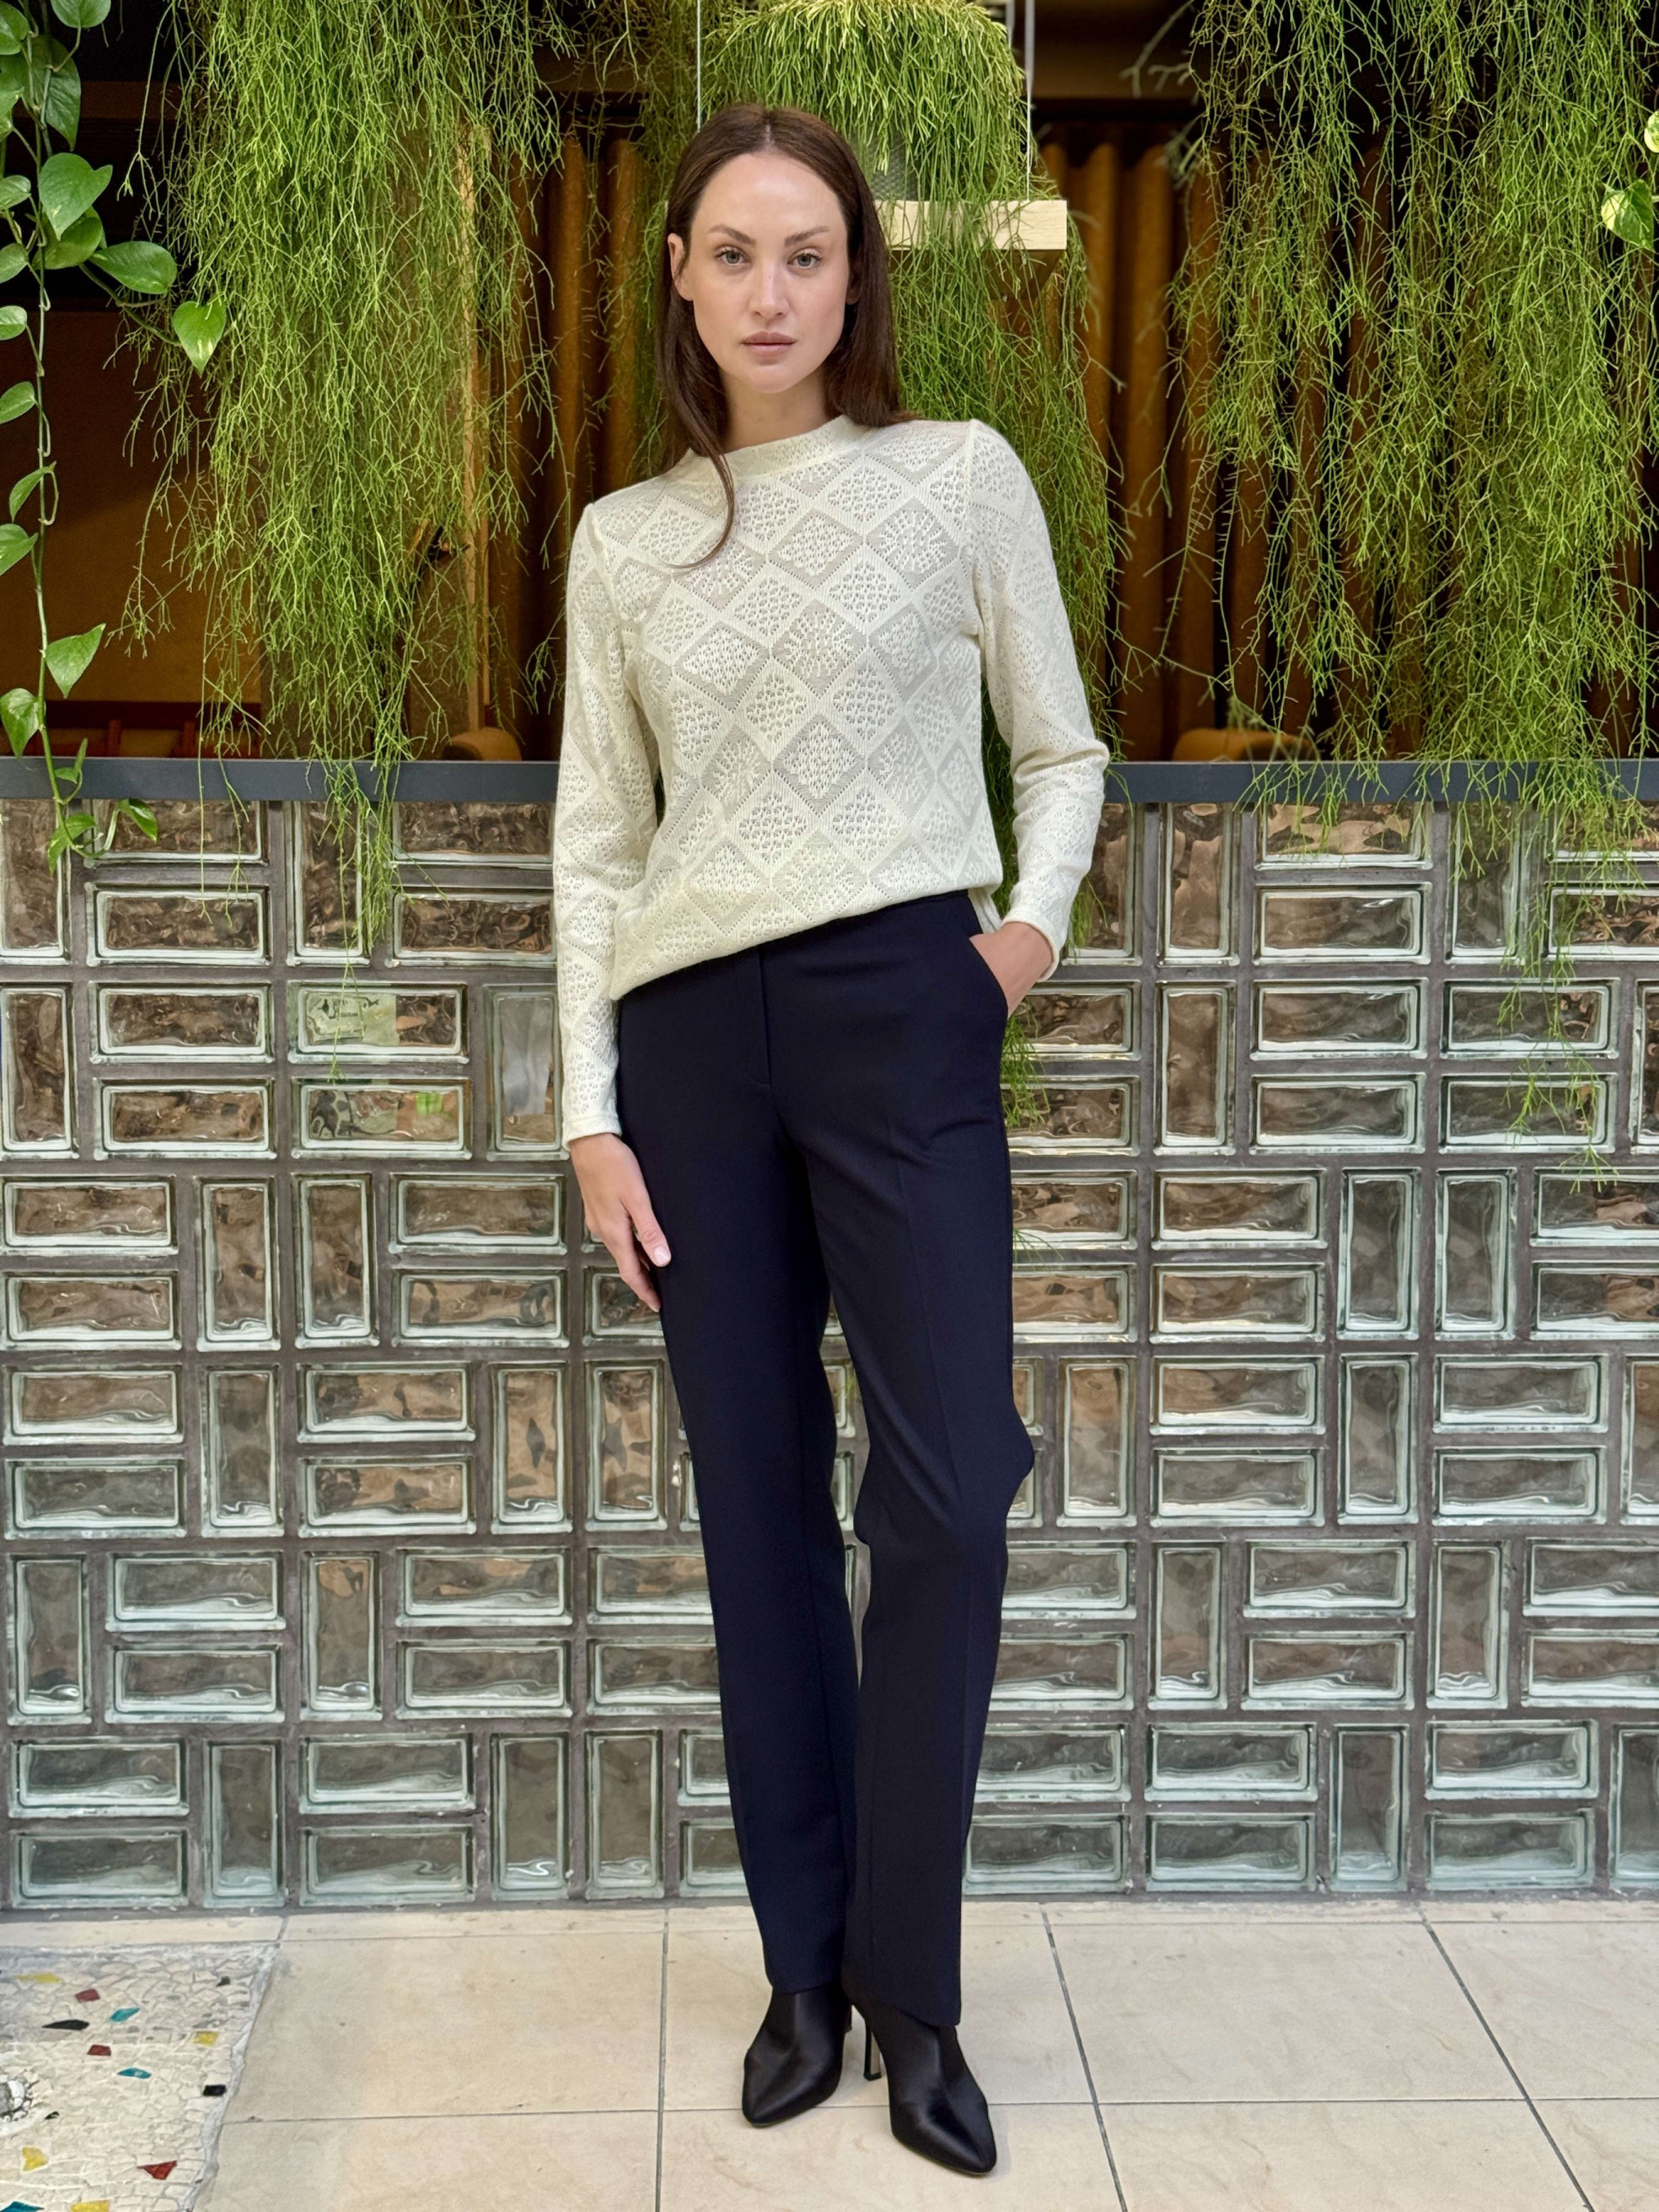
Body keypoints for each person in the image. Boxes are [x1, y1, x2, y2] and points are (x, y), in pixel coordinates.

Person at [552, 101, 1108, 2176]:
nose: (768, 291)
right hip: (692, 1042)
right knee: (761, 1508)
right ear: (680, 279)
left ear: (856, 274)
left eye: (805, 254)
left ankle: (910, 1984)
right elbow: (595, 839)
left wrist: (1017, 943)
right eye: (731, 253)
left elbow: (1058, 743)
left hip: (901, 1006)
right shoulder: (625, 539)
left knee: (949, 1491)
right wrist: (590, 1113)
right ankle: (804, 1970)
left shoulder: (956, 476)